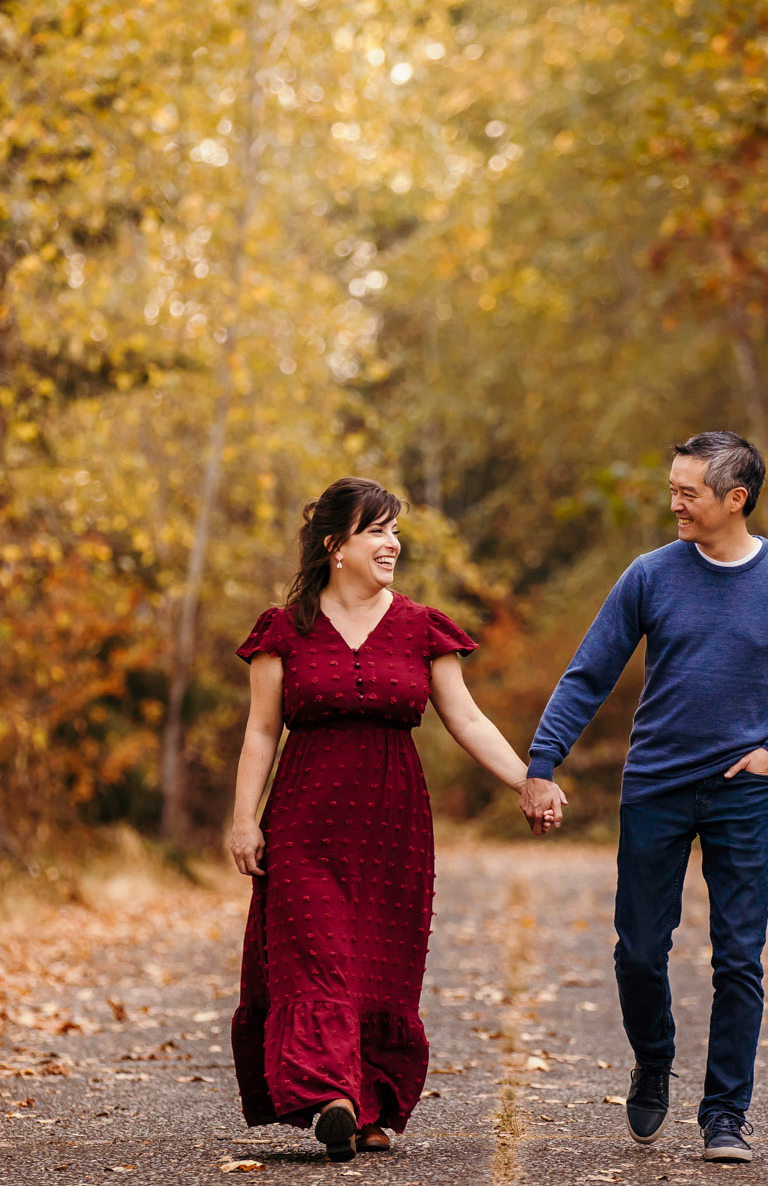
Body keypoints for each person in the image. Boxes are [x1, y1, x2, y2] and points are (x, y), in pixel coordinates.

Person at [518, 431, 768, 1164]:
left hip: (741, 794)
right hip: (656, 786)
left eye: (688, 491)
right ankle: (654, 1056)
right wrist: (542, 762)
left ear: (736, 498)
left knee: (739, 959)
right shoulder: (649, 574)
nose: (674, 503)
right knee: (638, 950)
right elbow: (588, 674)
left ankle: (725, 1114)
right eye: (672, 488)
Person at [227, 476, 559, 1162]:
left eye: (393, 529)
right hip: (304, 821)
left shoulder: (419, 625)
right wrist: (243, 819)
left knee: (381, 967)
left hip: (392, 825)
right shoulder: (285, 628)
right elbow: (261, 731)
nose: (391, 543)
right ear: (334, 544)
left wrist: (529, 779)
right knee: (317, 961)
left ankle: (371, 1107)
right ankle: (331, 1095)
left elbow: (464, 716)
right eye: (375, 529)